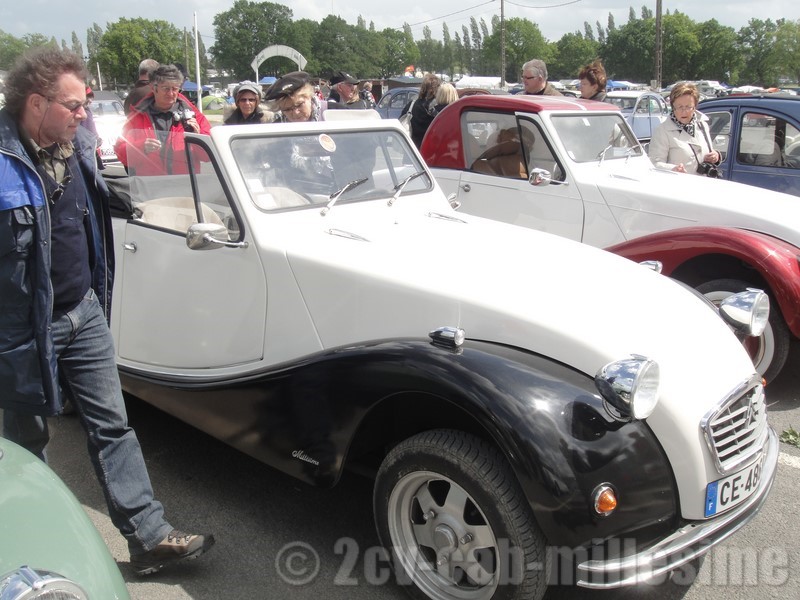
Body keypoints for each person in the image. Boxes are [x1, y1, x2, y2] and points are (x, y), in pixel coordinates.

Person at [0, 47, 214, 576]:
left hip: (84, 311)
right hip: (22, 329)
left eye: (85, 104)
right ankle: (35, 558)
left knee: (114, 426)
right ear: (35, 103)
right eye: (73, 105)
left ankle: (149, 537)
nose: (84, 114)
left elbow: (104, 198)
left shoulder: (80, 142)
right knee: (25, 448)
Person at [115, 64, 211, 176]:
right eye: (165, 89)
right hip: (151, 188)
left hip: (186, 187)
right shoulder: (136, 118)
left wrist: (198, 138)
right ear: (153, 88)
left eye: (175, 89)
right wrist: (141, 147)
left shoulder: (195, 117)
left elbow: (209, 156)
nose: (171, 93)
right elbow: (121, 154)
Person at [648, 81, 722, 174]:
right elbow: (654, 164)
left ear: (695, 107)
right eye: (679, 107)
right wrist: (673, 169)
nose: (684, 111)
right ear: (673, 107)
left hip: (703, 184)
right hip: (679, 185)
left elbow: (709, 151)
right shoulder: (662, 131)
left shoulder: (702, 124)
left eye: (688, 107)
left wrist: (716, 156)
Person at [402, 73, 440, 148]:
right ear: (437, 88)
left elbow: (402, 118)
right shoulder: (437, 106)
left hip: (412, 151)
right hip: (429, 150)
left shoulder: (412, 103)